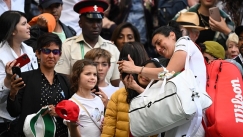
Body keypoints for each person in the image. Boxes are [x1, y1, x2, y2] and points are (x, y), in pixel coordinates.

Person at [118, 20, 206, 136]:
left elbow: (168, 73)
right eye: (155, 46)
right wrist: (136, 87)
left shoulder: (184, 42)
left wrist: (136, 69)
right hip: (182, 115)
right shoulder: (173, 59)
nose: (158, 49)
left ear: (172, 35)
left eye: (159, 42)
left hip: (192, 118)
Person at [7, 33, 70, 137]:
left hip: (60, 133)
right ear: (37, 53)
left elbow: (72, 111)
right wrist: (13, 93)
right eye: (46, 51)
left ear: (60, 55)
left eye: (55, 52)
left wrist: (59, 112)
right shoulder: (25, 78)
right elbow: (14, 112)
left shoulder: (65, 81)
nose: (51, 56)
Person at [54, 0, 120, 87]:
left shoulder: (112, 48)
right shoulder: (68, 46)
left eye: (98, 21)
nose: (95, 25)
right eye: (90, 21)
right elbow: (62, 79)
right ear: (80, 23)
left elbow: (115, 83)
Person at [0, 11, 38, 137]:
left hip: (28, 116)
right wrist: (7, 80)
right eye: (24, 24)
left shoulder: (29, 51)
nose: (29, 27)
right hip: (5, 121)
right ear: (13, 31)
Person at [101, 59, 161, 137]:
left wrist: (137, 88)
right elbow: (109, 126)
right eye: (144, 71)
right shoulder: (119, 95)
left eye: (149, 73)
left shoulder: (158, 97)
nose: (145, 76)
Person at [66, 59, 108, 137]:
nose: (92, 77)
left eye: (95, 74)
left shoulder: (99, 99)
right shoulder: (71, 104)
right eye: (88, 74)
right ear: (77, 76)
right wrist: (73, 126)